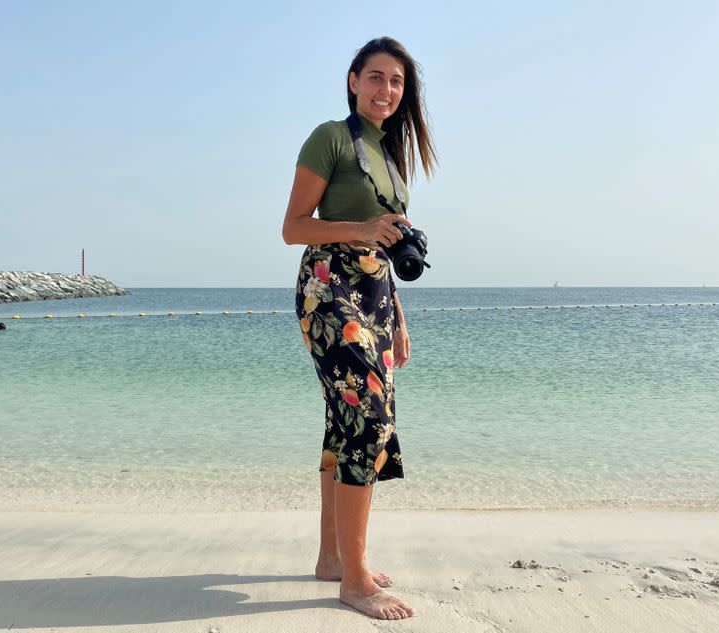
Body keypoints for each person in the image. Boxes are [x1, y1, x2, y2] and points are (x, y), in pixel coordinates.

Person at [282, 37, 436, 620]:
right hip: (328, 288)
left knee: (341, 423)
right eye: (376, 78)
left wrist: (397, 317)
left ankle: (333, 559)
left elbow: (387, 240)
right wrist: (363, 225)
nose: (386, 91)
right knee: (366, 418)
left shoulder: (391, 156)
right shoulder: (330, 137)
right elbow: (294, 228)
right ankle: (355, 579)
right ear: (353, 80)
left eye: (396, 82)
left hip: (375, 295)